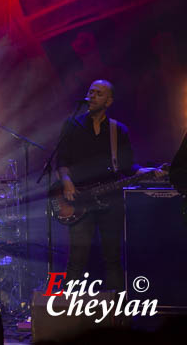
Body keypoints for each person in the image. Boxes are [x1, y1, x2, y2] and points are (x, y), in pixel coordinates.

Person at [56, 80, 165, 291]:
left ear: (109, 101)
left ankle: (118, 316)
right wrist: (67, 182)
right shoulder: (72, 125)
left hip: (111, 200)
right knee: (76, 259)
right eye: (90, 92)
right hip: (80, 199)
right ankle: (67, 315)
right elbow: (61, 161)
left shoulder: (118, 130)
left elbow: (128, 166)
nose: (92, 96)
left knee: (113, 258)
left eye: (98, 93)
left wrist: (149, 172)